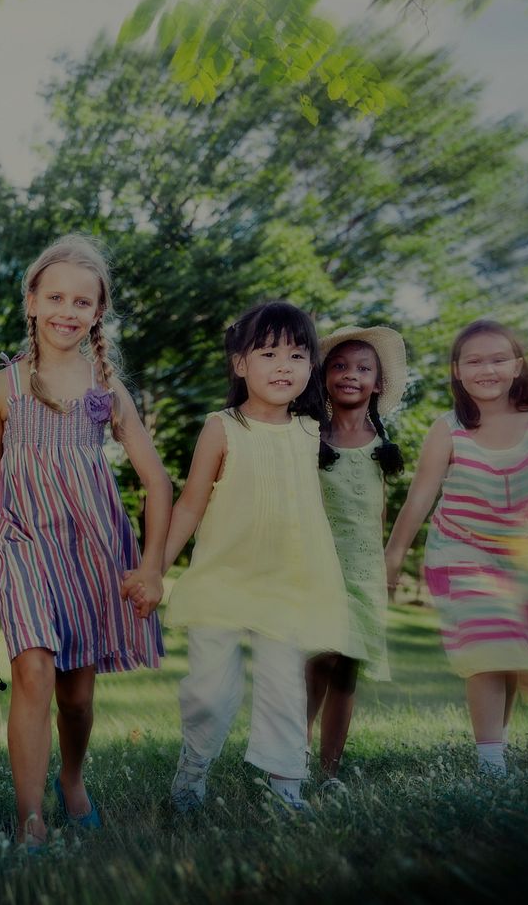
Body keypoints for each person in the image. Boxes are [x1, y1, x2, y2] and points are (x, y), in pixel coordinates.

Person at [0, 235, 170, 847]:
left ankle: (72, 776)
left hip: (91, 547)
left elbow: (157, 483)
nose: (67, 309)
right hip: (21, 539)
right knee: (32, 668)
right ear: (30, 301)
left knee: (77, 698)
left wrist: (153, 567)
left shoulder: (105, 391)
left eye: (82, 301)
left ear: (97, 313)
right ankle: (29, 818)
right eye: (54, 295)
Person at [164, 301, 350, 814]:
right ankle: (192, 773)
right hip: (224, 580)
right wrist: (152, 570)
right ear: (240, 363)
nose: (283, 365)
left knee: (283, 688)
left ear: (311, 366)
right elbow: (189, 504)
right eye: (267, 353)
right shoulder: (222, 427)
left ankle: (285, 789)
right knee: (208, 692)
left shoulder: (313, 432)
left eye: (296, 354)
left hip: (288, 583)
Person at [385, 319, 528, 776]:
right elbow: (420, 497)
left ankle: (499, 746)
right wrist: (394, 557)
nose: (487, 369)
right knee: (487, 645)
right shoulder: (449, 428)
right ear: (457, 371)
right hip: (462, 551)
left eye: (498, 359)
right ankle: (491, 767)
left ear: (517, 366)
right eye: (474, 361)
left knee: (513, 655)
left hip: (526, 559)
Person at [308, 325, 408, 789]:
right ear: (325, 377)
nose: (351, 375)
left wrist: (390, 564)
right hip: (318, 565)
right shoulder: (311, 437)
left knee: (347, 666)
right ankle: (290, 755)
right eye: (340, 366)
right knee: (319, 659)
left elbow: (381, 511)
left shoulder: (379, 447)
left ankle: (330, 768)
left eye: (363, 368)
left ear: (379, 382)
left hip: (364, 569)